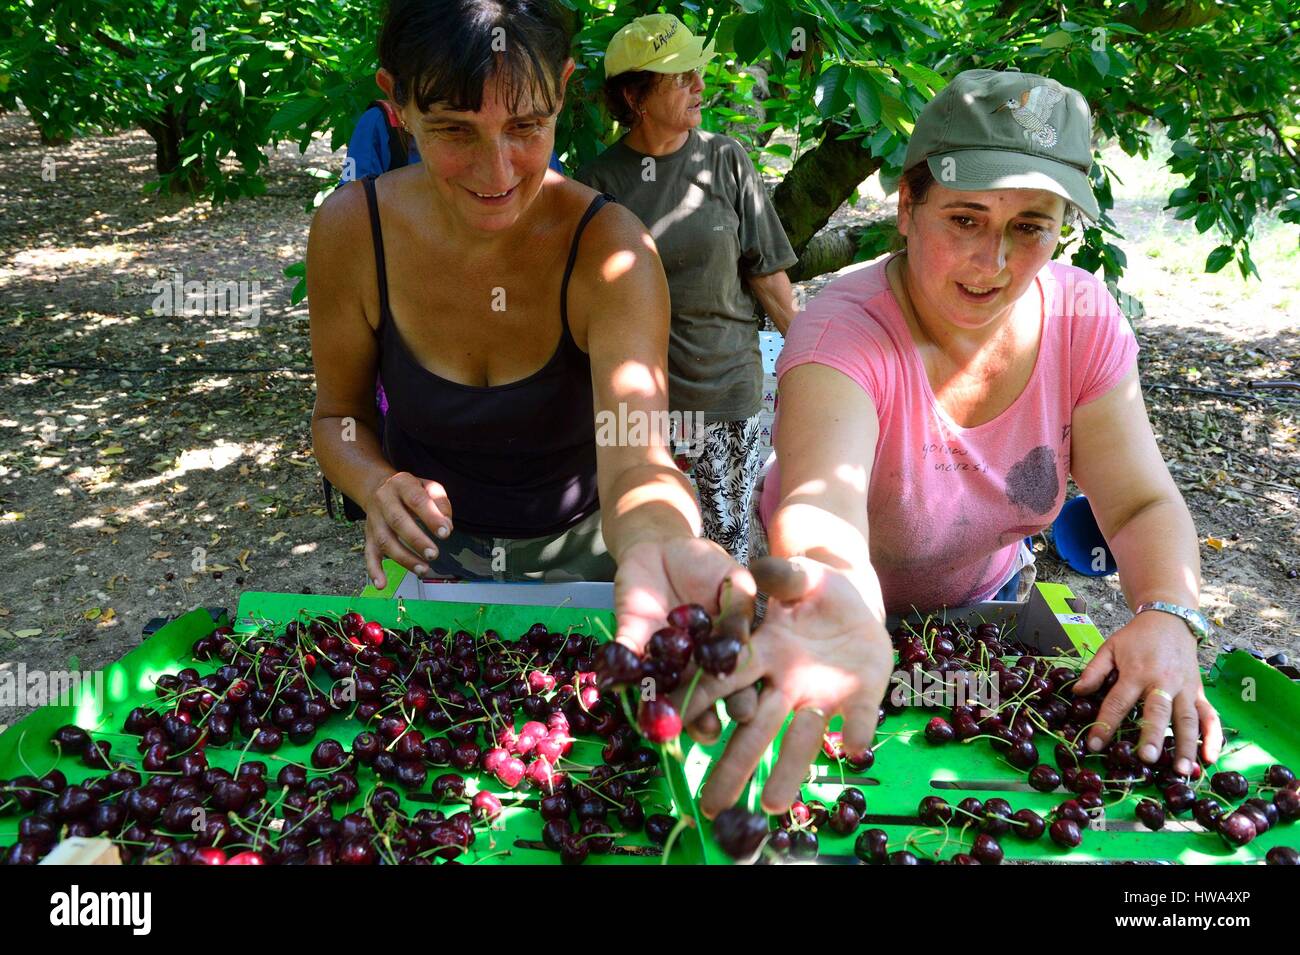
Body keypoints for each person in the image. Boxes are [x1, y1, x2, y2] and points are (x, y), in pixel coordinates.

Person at [674, 69, 1224, 817]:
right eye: (964, 218)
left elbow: (1138, 504)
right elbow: (821, 505)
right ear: (907, 207)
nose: (993, 262)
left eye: (1030, 226)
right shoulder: (842, 335)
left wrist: (1168, 611)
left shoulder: (1082, 321)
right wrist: (838, 595)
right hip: (827, 619)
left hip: (983, 610)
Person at [307, 0, 747, 650]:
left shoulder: (610, 253)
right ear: (396, 101)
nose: (498, 170)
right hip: (426, 569)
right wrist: (375, 484)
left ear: (564, 89)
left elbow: (636, 461)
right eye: (455, 130)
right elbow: (338, 418)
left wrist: (667, 545)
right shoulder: (353, 233)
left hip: (597, 569)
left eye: (527, 125)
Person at [577, 14, 798, 564]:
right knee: (662, 548)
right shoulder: (597, 186)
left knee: (728, 548)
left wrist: (814, 354)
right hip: (647, 413)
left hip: (731, 393)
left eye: (697, 72)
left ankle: (727, 644)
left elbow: (767, 274)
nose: (700, 86)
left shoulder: (725, 160)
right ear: (635, 96)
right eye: (681, 77)